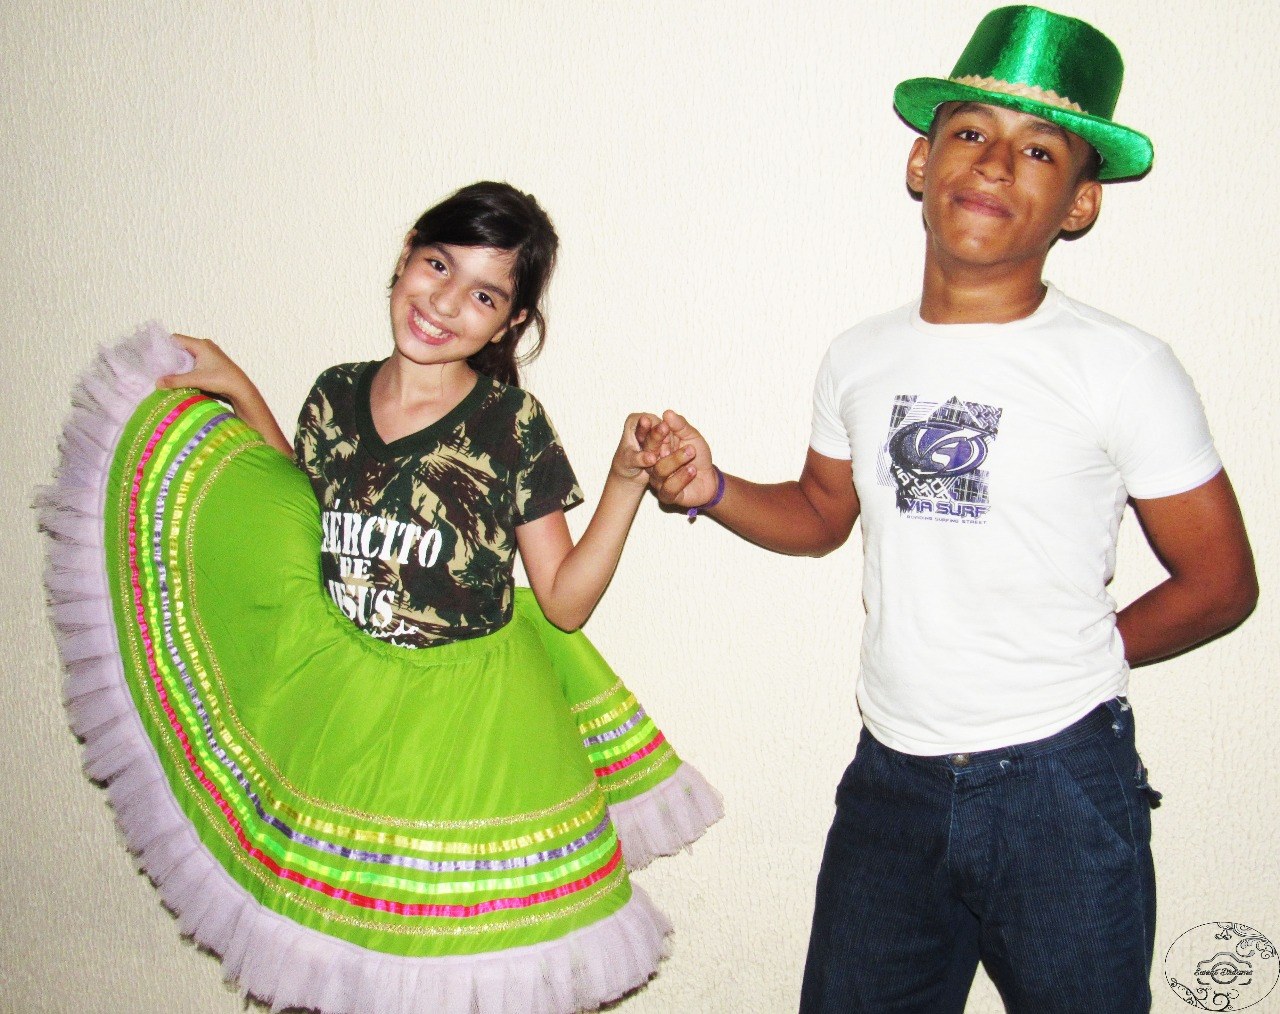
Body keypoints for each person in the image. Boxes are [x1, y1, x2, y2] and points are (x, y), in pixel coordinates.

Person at [642, 7, 1257, 1012]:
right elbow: (820, 512)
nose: (994, 163)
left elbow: (1221, 584)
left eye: (1038, 150)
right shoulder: (859, 356)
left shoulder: (1123, 367)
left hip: (1059, 784)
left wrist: (1080, 652)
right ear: (921, 163)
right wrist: (708, 489)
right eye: (970, 132)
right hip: (891, 782)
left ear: (1079, 204)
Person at [38, 181, 720, 1014]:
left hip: (466, 732)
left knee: (448, 969)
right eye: (437, 264)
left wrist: (624, 481)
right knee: (343, 961)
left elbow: (565, 601)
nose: (445, 302)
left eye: (483, 295)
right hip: (347, 720)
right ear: (405, 258)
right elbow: (297, 510)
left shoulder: (510, 424)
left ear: (509, 325)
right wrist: (239, 389)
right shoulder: (335, 394)